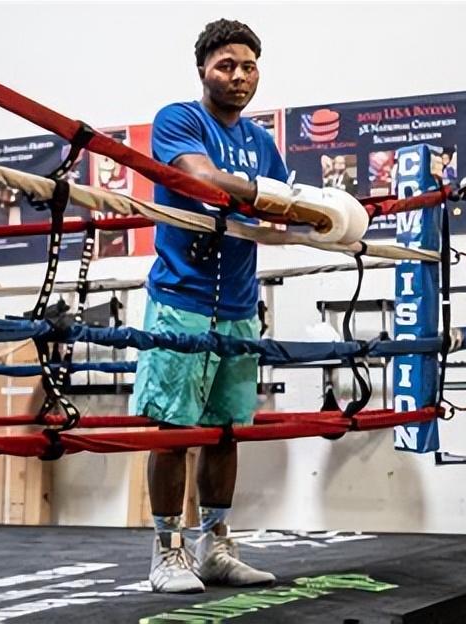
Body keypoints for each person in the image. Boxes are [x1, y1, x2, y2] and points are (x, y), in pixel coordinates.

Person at [132, 18, 360, 594]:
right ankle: (166, 551)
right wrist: (273, 198)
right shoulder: (179, 119)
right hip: (181, 298)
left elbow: (287, 211)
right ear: (202, 69)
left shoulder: (261, 142)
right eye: (226, 65)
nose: (239, 76)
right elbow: (200, 177)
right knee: (174, 430)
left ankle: (215, 546)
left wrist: (334, 217)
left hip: (238, 303)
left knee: (225, 431)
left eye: (249, 66)